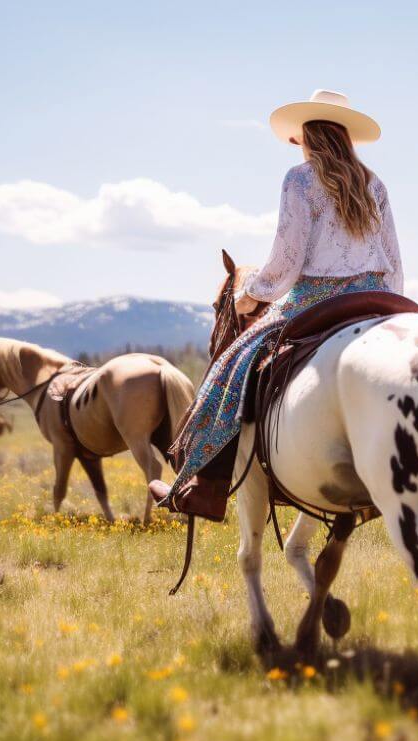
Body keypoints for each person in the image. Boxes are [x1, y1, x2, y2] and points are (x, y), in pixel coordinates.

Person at [149, 89, 404, 520]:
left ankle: (204, 489)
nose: (295, 147)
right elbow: (394, 263)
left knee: (231, 367)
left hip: (316, 298)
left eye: (296, 139)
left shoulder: (301, 180)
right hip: (377, 298)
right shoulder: (374, 183)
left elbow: (287, 261)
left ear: (307, 137)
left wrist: (253, 294)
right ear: (345, 137)